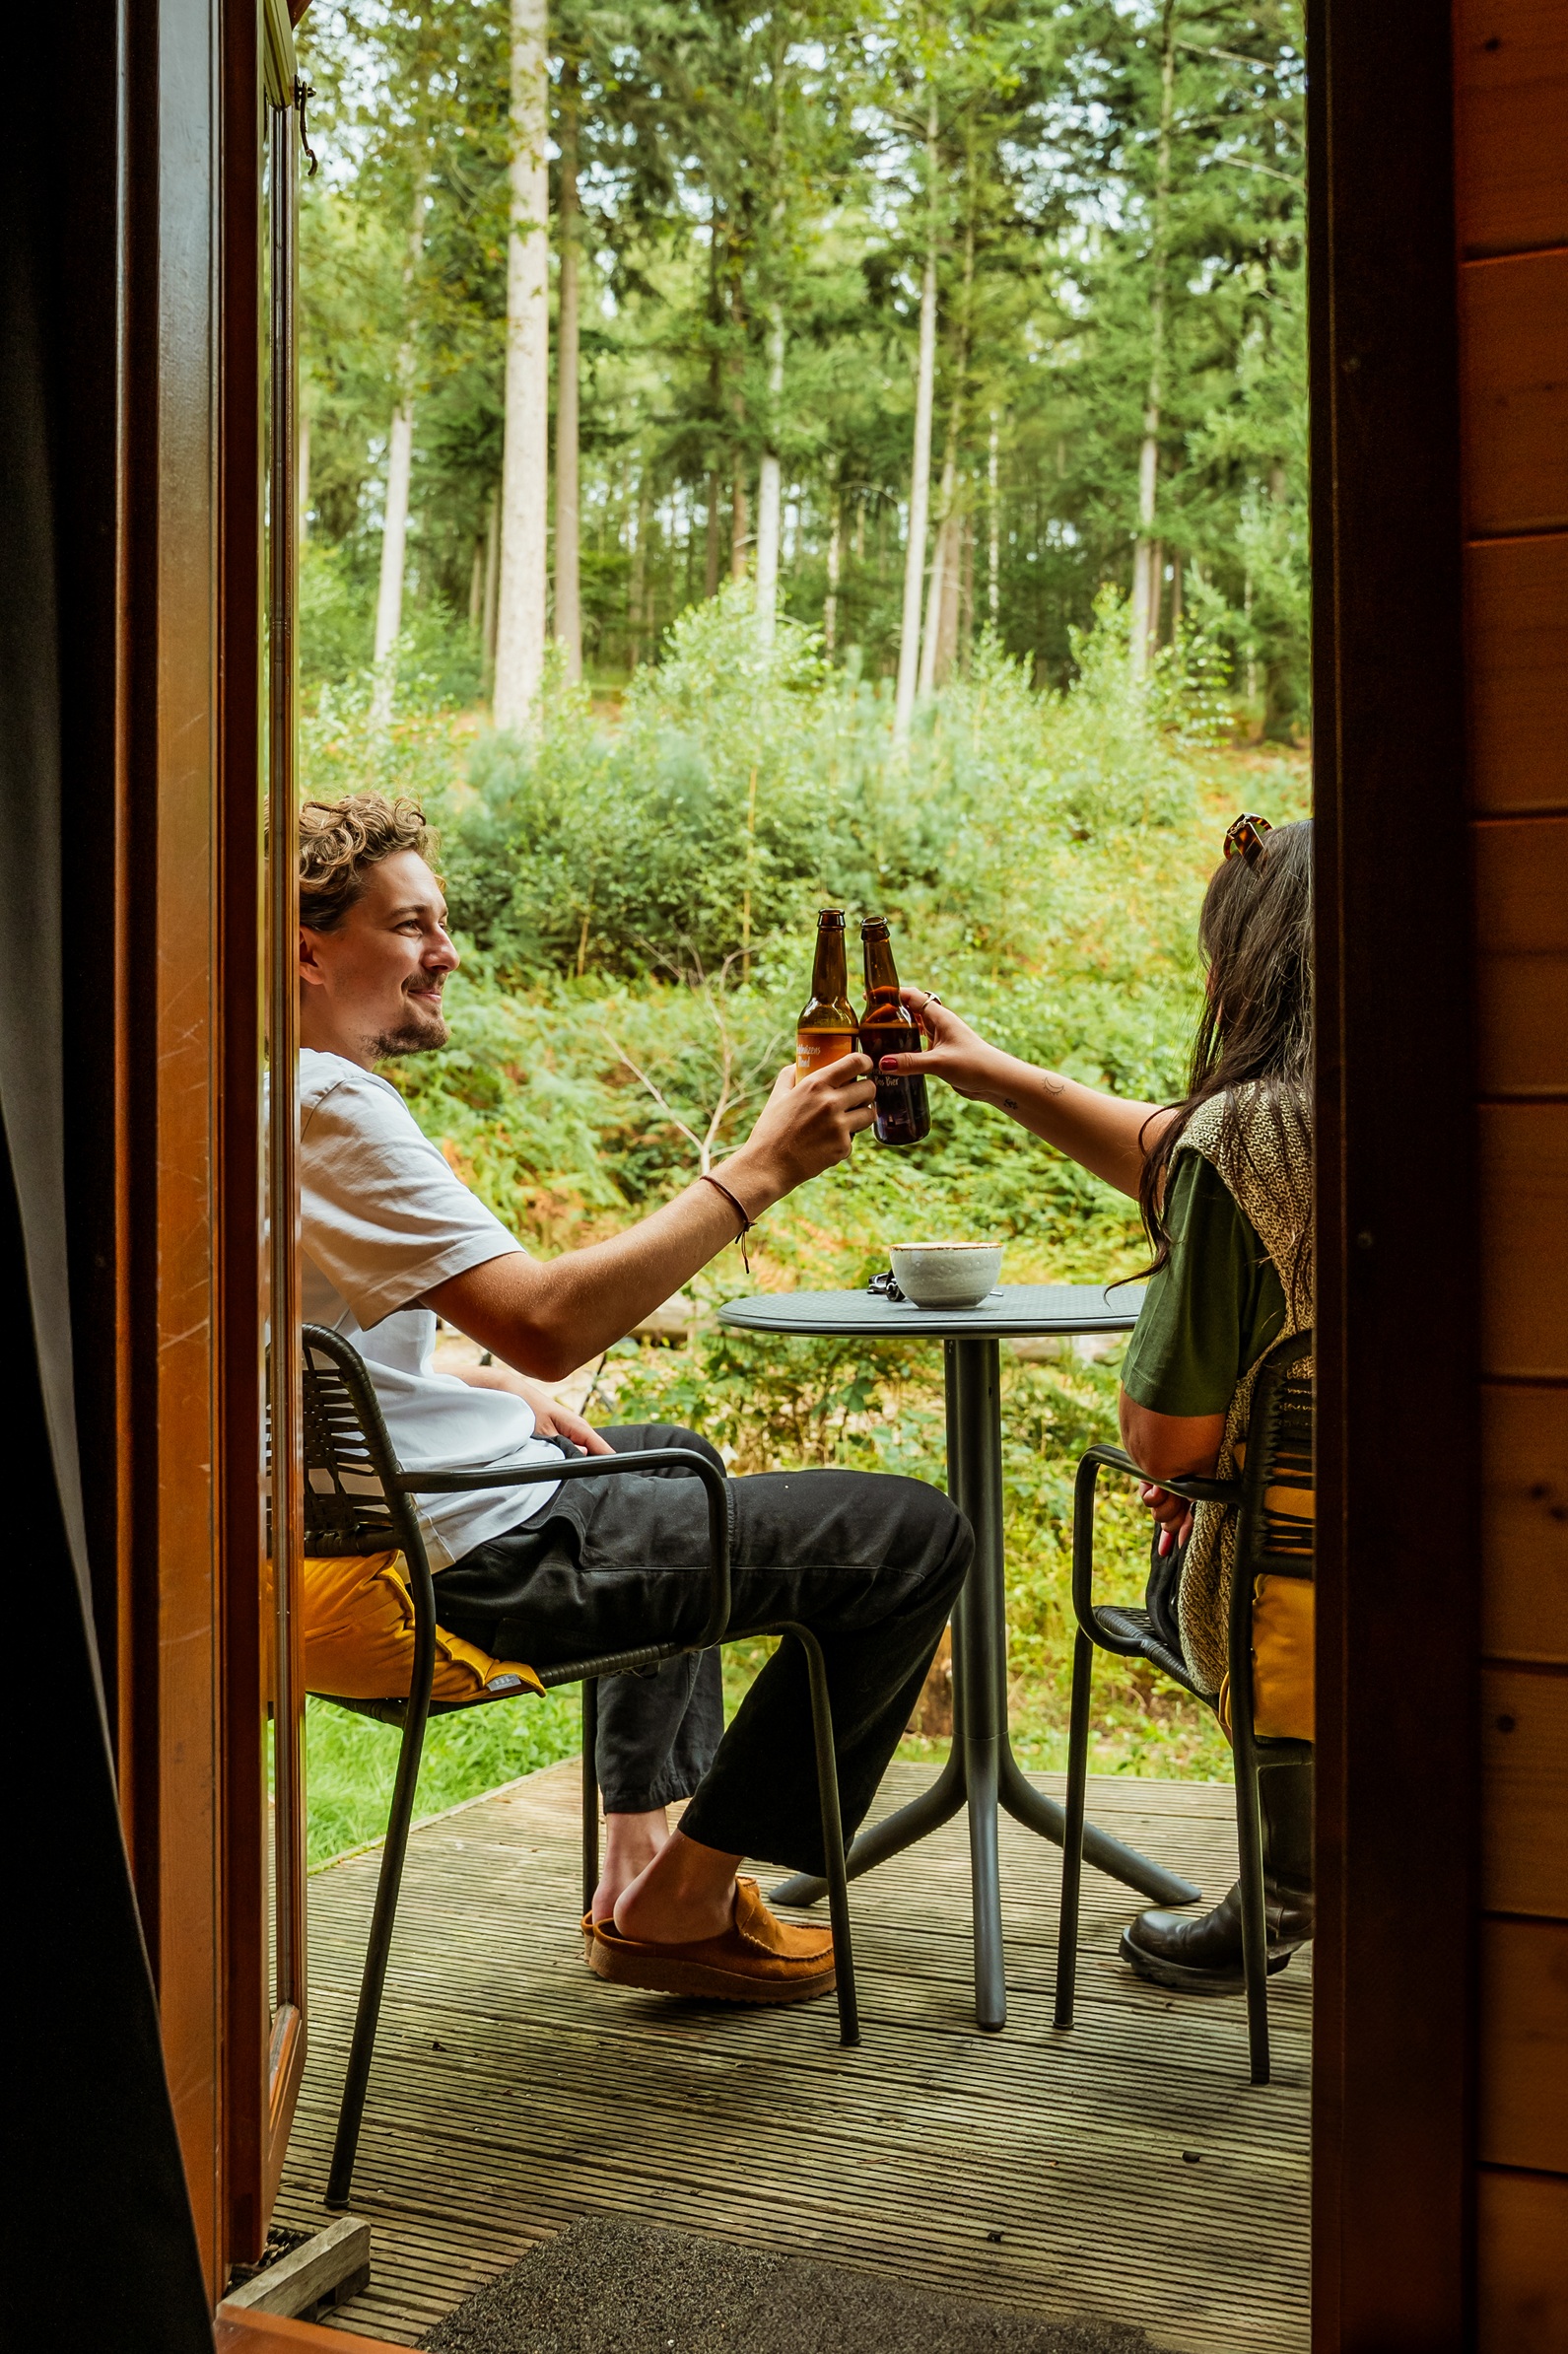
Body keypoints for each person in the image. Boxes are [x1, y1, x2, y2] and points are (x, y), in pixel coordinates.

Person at [295, 793, 971, 2009]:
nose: (446, 953)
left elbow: (283, 1342)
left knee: (662, 1457)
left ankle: (642, 1850)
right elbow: (551, 1319)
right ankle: (687, 1897)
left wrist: (465, 1378)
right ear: (306, 949)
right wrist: (758, 1167)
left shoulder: (219, 1089)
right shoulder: (328, 1104)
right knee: (912, 1537)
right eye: (413, 927)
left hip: (347, 1526)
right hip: (454, 1567)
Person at [884, 813, 1313, 1993]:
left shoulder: (1253, 1136)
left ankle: (1292, 1878)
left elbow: (1166, 1441)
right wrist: (999, 1075)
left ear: (1246, 968)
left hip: (1292, 1591)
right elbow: (1180, 1151)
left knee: (1189, 1540)